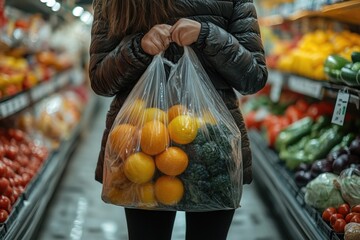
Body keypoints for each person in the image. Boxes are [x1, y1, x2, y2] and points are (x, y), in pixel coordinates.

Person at [89, 0, 268, 239]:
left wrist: (207, 35)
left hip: (212, 147)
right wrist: (138, 47)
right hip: (142, 146)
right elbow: (101, 80)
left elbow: (253, 76)